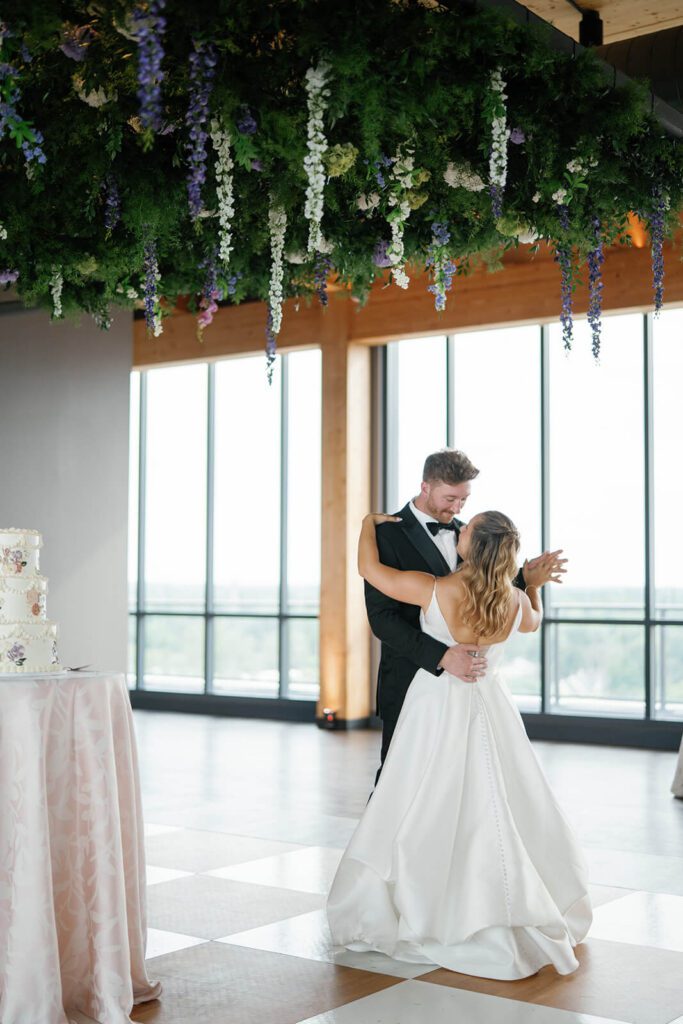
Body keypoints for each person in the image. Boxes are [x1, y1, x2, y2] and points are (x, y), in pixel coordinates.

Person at [327, 510, 592, 980]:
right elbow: (533, 622)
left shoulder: (438, 588)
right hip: (491, 703)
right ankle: (499, 900)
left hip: (435, 704)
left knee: (423, 794)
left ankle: (430, 903)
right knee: (499, 798)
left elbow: (370, 571)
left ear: (472, 547)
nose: (460, 529)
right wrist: (530, 585)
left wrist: (368, 521)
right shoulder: (513, 601)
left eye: (466, 531)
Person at [365, 449, 566, 784]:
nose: (458, 509)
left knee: (470, 780)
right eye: (451, 498)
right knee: (397, 782)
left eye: (464, 499)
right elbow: (382, 619)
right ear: (425, 487)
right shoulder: (386, 535)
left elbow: (487, 591)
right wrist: (442, 656)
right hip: (410, 681)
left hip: (470, 687)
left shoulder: (469, 533)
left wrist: (523, 580)